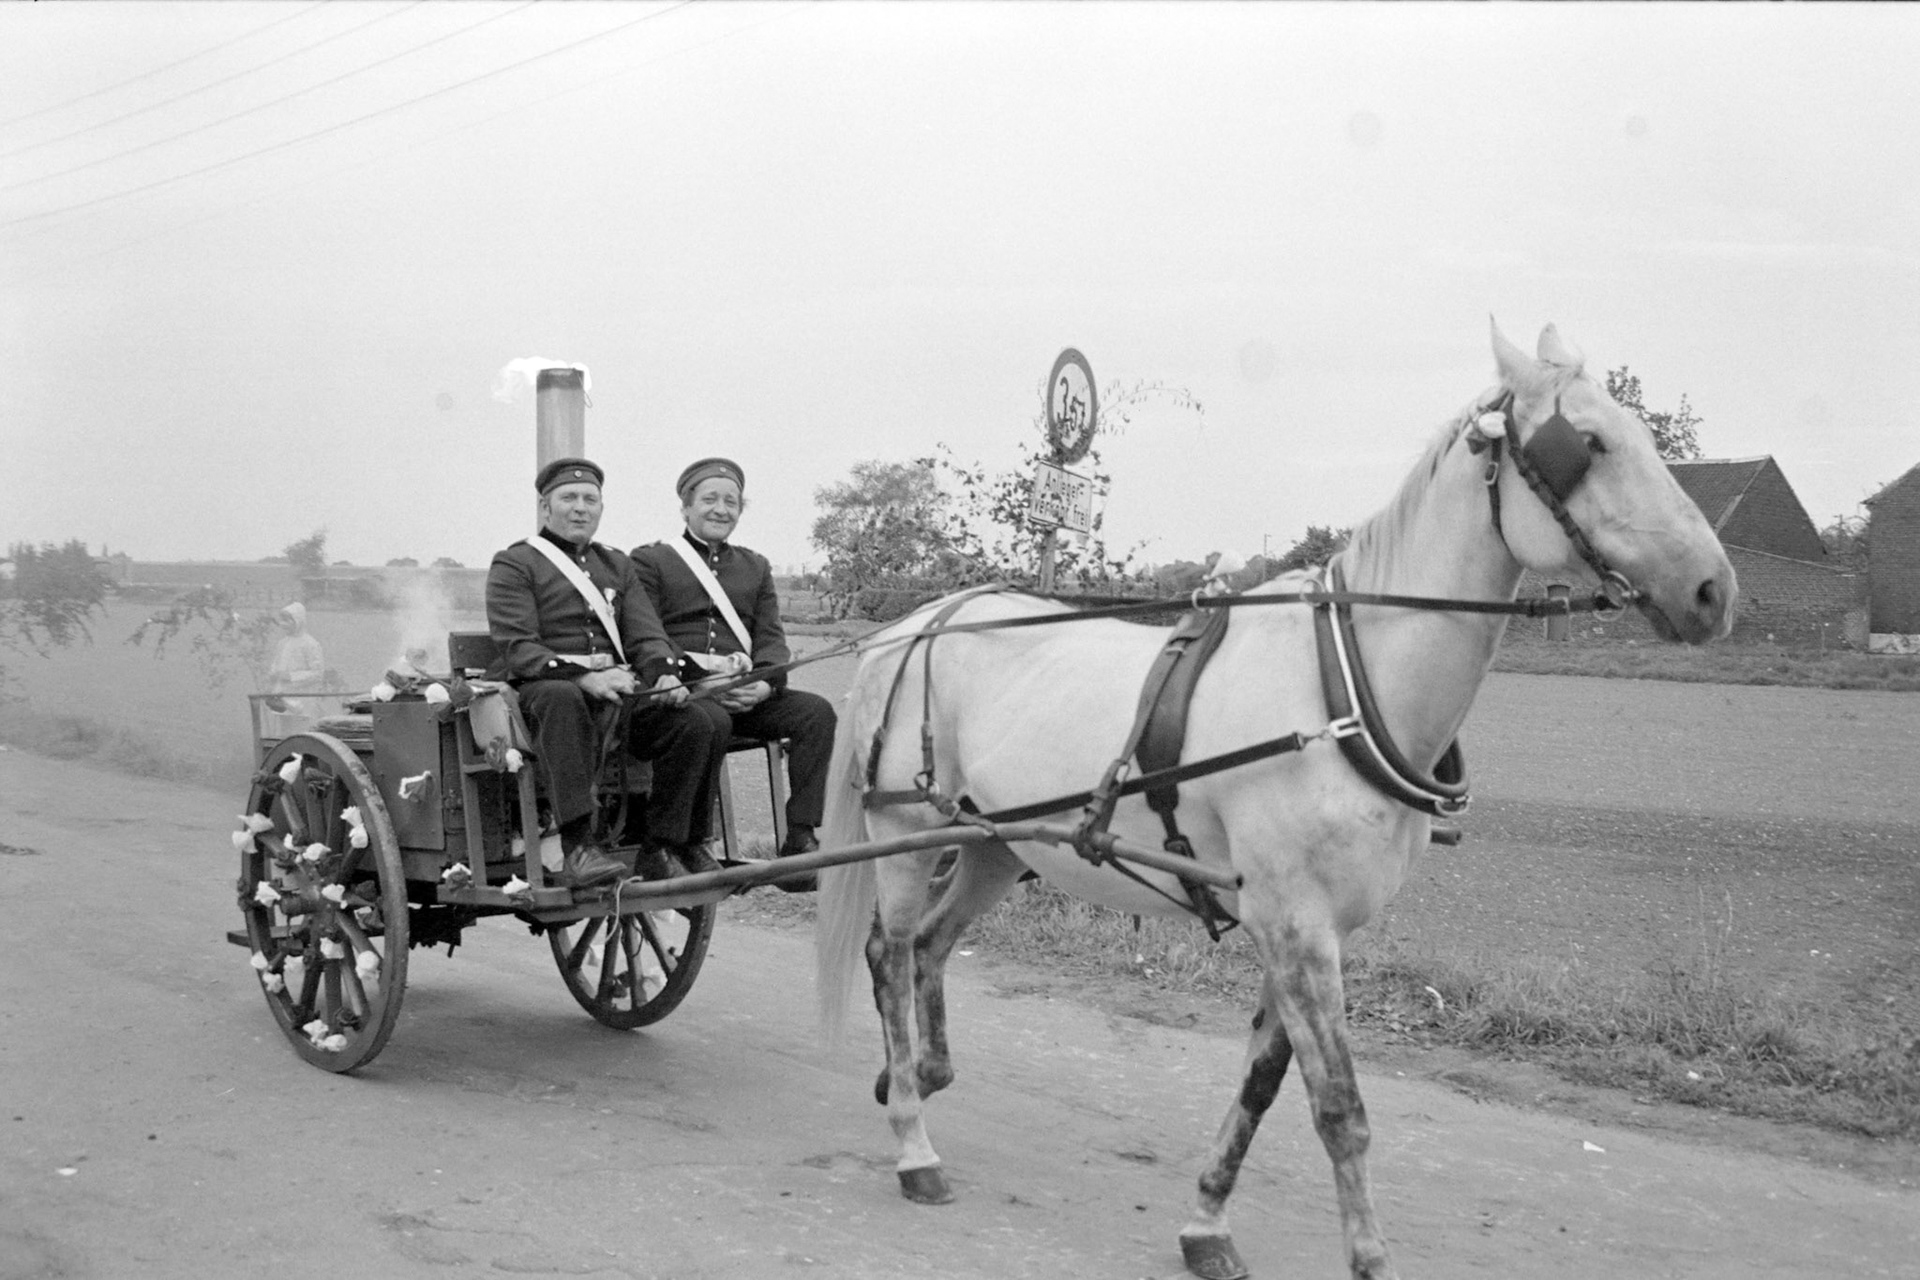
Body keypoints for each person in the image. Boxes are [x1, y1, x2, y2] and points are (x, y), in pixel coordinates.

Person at [486, 457, 729, 890]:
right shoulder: (515, 563)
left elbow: (647, 634)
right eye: (569, 498)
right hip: (544, 695)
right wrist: (582, 676)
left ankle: (662, 846)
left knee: (696, 719)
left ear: (600, 508)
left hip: (618, 694)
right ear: (545, 508)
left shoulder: (617, 564)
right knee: (562, 698)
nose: (580, 508)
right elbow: (519, 646)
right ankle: (578, 846)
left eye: (590, 499)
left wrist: (662, 675)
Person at [632, 457, 838, 892]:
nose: (721, 509)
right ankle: (684, 843)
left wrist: (764, 683)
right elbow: (647, 632)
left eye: (731, 501)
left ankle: (800, 839)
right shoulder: (651, 561)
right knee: (711, 719)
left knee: (815, 713)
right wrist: (699, 679)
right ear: (685, 507)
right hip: (684, 694)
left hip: (745, 692)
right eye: (709, 499)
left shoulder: (755, 566)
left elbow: (771, 639)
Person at [263, 602, 326, 735]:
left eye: (288, 620)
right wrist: (273, 678)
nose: (284, 623)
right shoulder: (282, 643)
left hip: (302, 701)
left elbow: (317, 673)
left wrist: (291, 676)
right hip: (283, 700)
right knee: (285, 735)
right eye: (283, 619)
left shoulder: (310, 644)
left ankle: (299, 756)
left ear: (298, 620)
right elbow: (275, 665)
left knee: (301, 735)